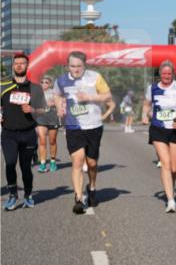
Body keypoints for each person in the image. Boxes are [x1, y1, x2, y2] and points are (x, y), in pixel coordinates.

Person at [54, 51, 112, 214]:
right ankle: (78, 199)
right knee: (77, 161)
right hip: (74, 126)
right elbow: (57, 95)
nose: (76, 69)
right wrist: (59, 108)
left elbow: (107, 95)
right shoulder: (61, 80)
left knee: (92, 163)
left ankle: (92, 187)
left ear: (84, 65)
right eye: (72, 66)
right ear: (68, 66)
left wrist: (89, 97)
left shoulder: (95, 77)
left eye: (79, 66)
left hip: (93, 125)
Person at [142, 61, 176, 213]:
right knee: (165, 163)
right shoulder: (152, 88)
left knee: (174, 167)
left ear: (173, 74)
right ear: (160, 74)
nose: (166, 76)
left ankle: (171, 184)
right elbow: (146, 104)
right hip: (158, 129)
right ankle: (170, 200)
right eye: (164, 73)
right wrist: (144, 115)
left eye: (169, 74)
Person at [2, 53, 46, 209]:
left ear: (27, 66)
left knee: (25, 167)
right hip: (8, 133)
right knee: (10, 164)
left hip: (28, 133)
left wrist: (33, 110)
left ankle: (28, 195)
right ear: (13, 66)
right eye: (16, 63)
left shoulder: (35, 88)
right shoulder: (3, 86)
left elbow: (44, 110)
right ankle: (13, 195)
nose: (19, 65)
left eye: (22, 63)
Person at [35, 75, 61, 172]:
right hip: (40, 119)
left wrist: (54, 103)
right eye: (42, 82)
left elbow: (61, 102)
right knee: (42, 141)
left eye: (46, 82)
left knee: (52, 141)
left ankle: (53, 162)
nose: (44, 84)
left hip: (52, 119)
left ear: (50, 84)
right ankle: (43, 164)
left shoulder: (54, 92)